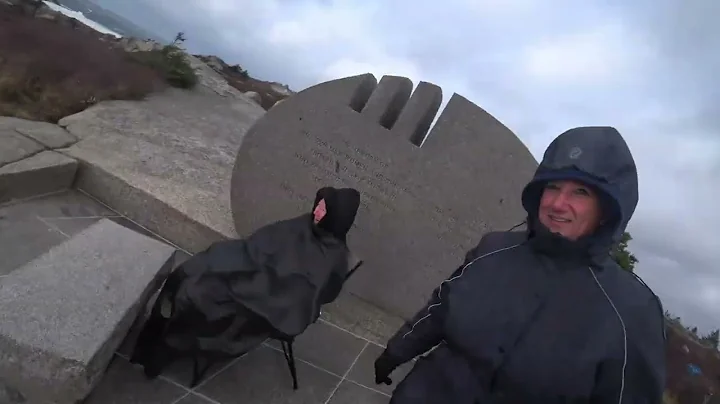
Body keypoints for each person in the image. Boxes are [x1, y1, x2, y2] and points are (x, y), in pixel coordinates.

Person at [373, 126, 667, 403]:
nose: (557, 204)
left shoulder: (632, 311)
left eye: (581, 192)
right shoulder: (494, 249)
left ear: (607, 210)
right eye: (552, 187)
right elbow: (440, 310)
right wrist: (394, 353)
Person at [130, 186, 361, 386]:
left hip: (266, 302)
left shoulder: (335, 259)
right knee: (192, 272)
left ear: (336, 217)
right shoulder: (304, 224)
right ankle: (162, 337)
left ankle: (169, 346)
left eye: (324, 209)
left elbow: (314, 294)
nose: (317, 212)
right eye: (318, 205)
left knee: (199, 297)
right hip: (250, 266)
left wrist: (269, 284)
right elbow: (264, 242)